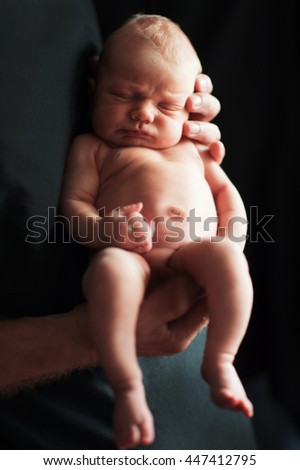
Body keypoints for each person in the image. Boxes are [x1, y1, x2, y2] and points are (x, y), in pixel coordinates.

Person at [0, 0, 256, 450]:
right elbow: (75, 207)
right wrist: (106, 231)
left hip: (190, 250)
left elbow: (225, 195)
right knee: (109, 276)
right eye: (124, 96)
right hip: (130, 254)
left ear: (189, 107)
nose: (143, 114)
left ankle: (222, 359)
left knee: (233, 269)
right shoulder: (93, 149)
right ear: (95, 87)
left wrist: (230, 240)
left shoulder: (190, 149)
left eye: (165, 105)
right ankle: (127, 387)